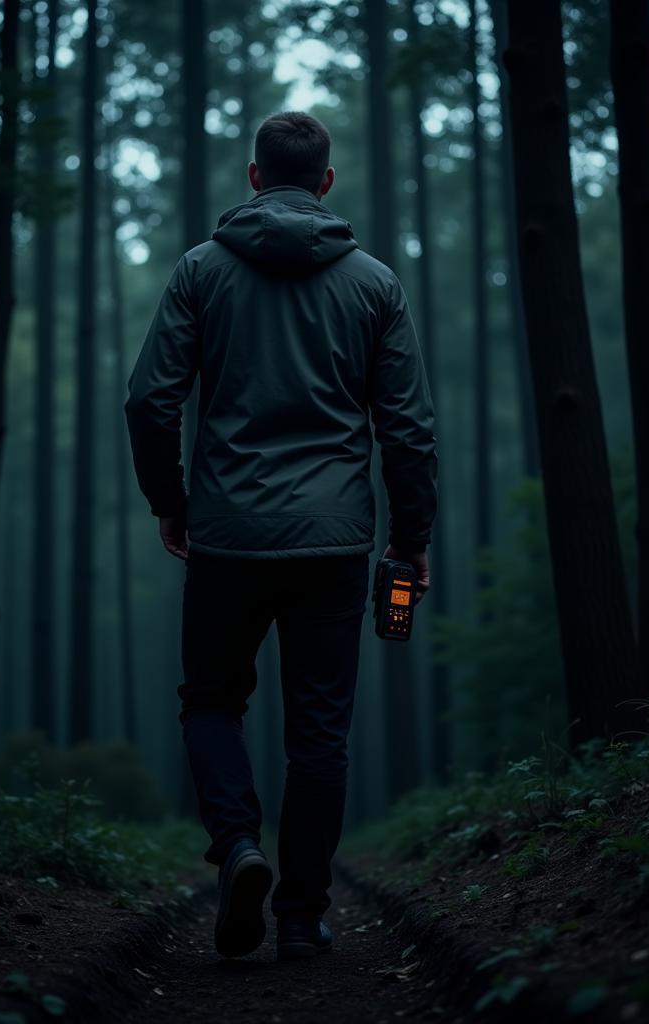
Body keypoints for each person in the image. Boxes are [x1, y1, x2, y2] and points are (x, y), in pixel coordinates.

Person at [125, 111, 437, 961]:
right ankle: (301, 914)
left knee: (211, 701)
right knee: (321, 735)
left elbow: (151, 400)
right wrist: (411, 539)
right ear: (325, 182)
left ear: (255, 177)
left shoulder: (201, 272)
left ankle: (238, 848)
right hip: (335, 545)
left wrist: (172, 501)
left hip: (225, 535)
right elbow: (408, 428)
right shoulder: (373, 283)